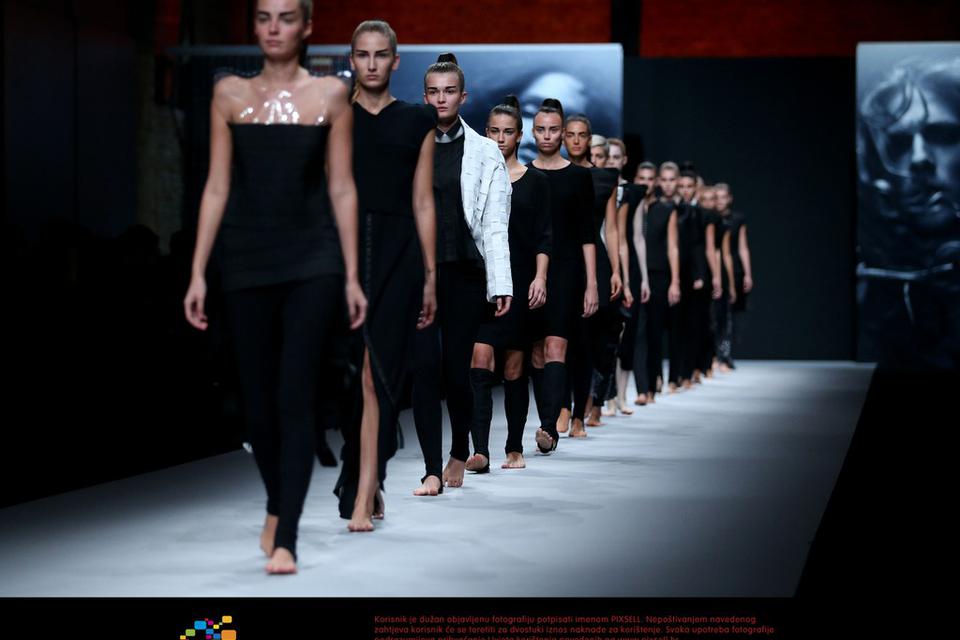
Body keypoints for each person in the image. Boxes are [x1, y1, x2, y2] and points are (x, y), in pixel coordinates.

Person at [183, 0, 366, 574]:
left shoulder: (331, 95)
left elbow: (342, 188)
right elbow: (216, 187)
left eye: (286, 17)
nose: (274, 27)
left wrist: (351, 274)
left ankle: (287, 535)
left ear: (307, 26)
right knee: (256, 405)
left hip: (313, 260)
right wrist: (197, 270)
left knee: (295, 395)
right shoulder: (228, 95)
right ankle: (276, 503)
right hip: (246, 258)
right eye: (264, 17)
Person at [333, 19, 438, 531]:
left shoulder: (417, 120)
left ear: (395, 61)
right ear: (351, 59)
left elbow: (423, 200)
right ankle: (363, 473)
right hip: (344, 252)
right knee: (351, 379)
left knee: (380, 376)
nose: (371, 64)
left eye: (380, 55)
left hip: (399, 254)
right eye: (362, 54)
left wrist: (431, 274)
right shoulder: (335, 117)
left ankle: (365, 489)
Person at [411, 53, 513, 488]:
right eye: (434, 92)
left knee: (456, 371)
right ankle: (431, 469)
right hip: (419, 272)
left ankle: (457, 451)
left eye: (449, 91)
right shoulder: (410, 143)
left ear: (463, 96)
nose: (441, 99)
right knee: (423, 369)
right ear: (424, 96)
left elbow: (495, 223)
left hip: (465, 272)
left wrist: (501, 282)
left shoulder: (486, 151)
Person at [469, 95, 551, 470]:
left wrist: (540, 278)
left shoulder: (535, 183)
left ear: (519, 136)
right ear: (485, 133)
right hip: (480, 281)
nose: (500, 138)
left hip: (519, 281)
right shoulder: (474, 180)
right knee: (480, 359)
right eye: (494, 131)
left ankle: (514, 447)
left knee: (515, 367)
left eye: (507, 132)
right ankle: (480, 450)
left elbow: (544, 237)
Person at [527, 98, 598, 454]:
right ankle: (548, 416)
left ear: (562, 132)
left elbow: (588, 234)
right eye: (541, 129)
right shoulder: (523, 174)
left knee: (557, 345)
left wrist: (592, 284)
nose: (547, 135)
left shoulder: (579, 177)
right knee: (536, 351)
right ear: (532, 131)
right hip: (528, 270)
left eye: (553, 129)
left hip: (567, 269)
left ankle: (548, 427)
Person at [643, 162, 681, 401]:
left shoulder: (666, 210)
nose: (647, 183)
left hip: (659, 275)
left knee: (655, 331)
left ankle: (653, 380)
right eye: (642, 178)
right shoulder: (632, 205)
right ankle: (647, 382)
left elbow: (672, 247)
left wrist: (675, 281)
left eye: (650, 179)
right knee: (640, 333)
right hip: (636, 274)